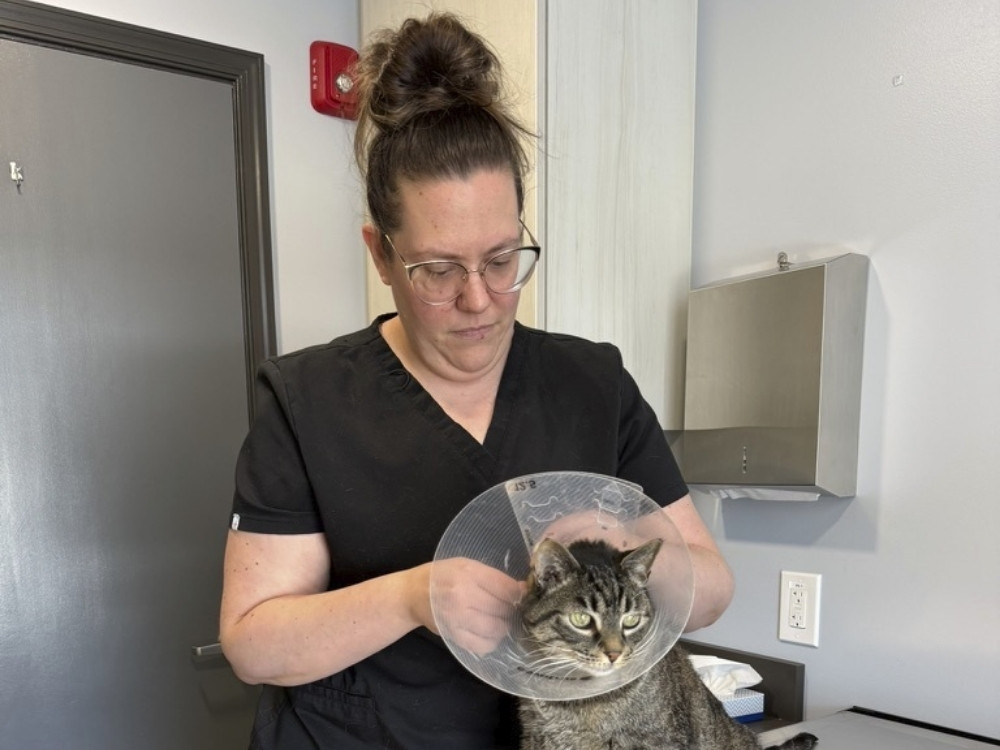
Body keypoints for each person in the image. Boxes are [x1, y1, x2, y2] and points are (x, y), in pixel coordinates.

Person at [219, 12, 734, 750]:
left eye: (501, 260)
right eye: (437, 269)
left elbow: (711, 593)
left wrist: (621, 539)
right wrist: (411, 597)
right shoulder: (308, 400)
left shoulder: (593, 382)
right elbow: (252, 643)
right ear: (381, 254)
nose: (478, 299)